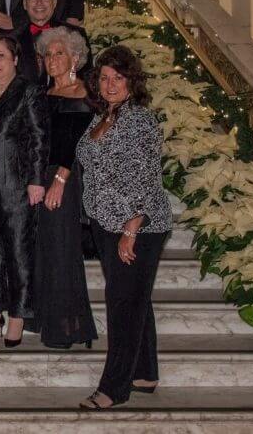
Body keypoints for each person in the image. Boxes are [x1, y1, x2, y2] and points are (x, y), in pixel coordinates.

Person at [76, 45, 173, 409]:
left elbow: (148, 177)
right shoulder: (103, 117)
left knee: (123, 305)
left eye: (118, 78)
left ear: (132, 81)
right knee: (134, 299)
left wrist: (132, 227)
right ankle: (145, 372)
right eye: (104, 78)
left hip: (138, 225)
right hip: (105, 222)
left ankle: (114, 388)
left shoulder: (140, 120)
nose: (110, 84)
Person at [0, 35, 48, 348]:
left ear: (15, 59)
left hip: (17, 181)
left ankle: (17, 315)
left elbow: (39, 137)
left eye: (1, 56)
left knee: (18, 250)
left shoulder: (29, 91)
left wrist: (37, 180)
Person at [31, 27, 97, 350]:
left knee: (62, 249)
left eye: (60, 53)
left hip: (66, 180)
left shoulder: (85, 93)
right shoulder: (42, 96)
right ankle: (49, 319)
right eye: (48, 55)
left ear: (75, 57)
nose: (53, 59)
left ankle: (68, 327)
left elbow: (80, 144)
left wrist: (60, 179)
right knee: (46, 249)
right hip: (42, 177)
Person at [11, 0, 93, 85]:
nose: (39, 2)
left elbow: (87, 78)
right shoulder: (12, 39)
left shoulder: (74, 33)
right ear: (25, 4)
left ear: (54, 2)